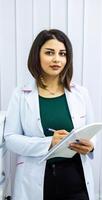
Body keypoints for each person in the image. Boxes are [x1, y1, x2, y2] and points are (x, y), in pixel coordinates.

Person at [4, 29, 96, 200]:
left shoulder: (81, 93)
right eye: (49, 53)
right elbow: (10, 139)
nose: (56, 59)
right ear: (36, 56)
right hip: (37, 182)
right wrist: (49, 142)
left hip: (76, 180)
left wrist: (90, 146)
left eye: (62, 54)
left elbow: (91, 131)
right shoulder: (21, 94)